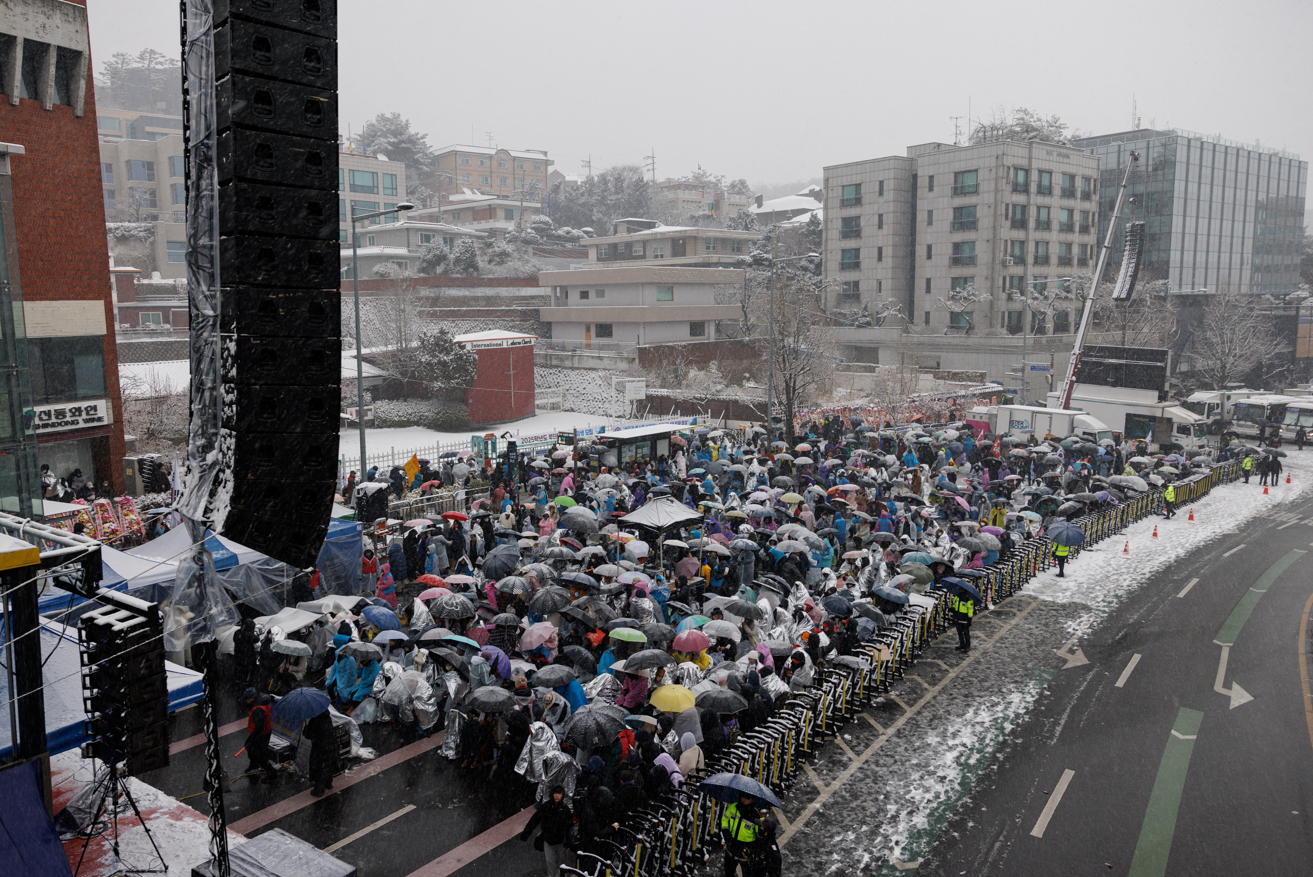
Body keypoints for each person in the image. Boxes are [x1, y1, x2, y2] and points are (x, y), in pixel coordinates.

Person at [519, 783, 572, 877]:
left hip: (559, 842)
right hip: (549, 841)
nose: (557, 795)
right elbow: (534, 820)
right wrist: (525, 834)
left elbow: (568, 827)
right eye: (556, 793)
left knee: (560, 865)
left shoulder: (564, 810)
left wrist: (567, 842)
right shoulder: (547, 807)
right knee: (552, 864)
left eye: (559, 793)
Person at [239, 687, 277, 783]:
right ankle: (254, 764)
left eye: (247, 699)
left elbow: (260, 727)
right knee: (251, 748)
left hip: (261, 734)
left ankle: (273, 775)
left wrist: (254, 738)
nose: (246, 701)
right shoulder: (261, 700)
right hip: (263, 732)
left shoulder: (258, 710)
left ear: (251, 698)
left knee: (261, 756)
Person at [721, 791, 762, 877]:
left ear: (753, 800)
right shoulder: (733, 807)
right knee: (728, 873)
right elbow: (724, 820)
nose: (744, 799)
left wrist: (752, 850)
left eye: (747, 797)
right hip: (731, 849)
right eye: (743, 796)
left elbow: (760, 836)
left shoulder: (757, 816)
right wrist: (726, 834)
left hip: (746, 854)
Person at [303, 708, 338, 797]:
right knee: (328, 764)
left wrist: (306, 729)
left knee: (319, 767)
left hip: (320, 748)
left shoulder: (314, 721)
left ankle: (318, 790)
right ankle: (328, 783)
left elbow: (309, 735)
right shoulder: (327, 717)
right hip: (331, 745)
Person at [951, 587, 974, 653]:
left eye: (962, 590)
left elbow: (970, 610)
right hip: (958, 617)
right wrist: (952, 609)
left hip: (964, 618)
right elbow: (955, 605)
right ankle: (962, 644)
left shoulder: (968, 599)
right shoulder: (957, 597)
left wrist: (969, 619)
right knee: (959, 632)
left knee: (966, 632)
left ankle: (967, 645)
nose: (961, 591)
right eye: (960, 590)